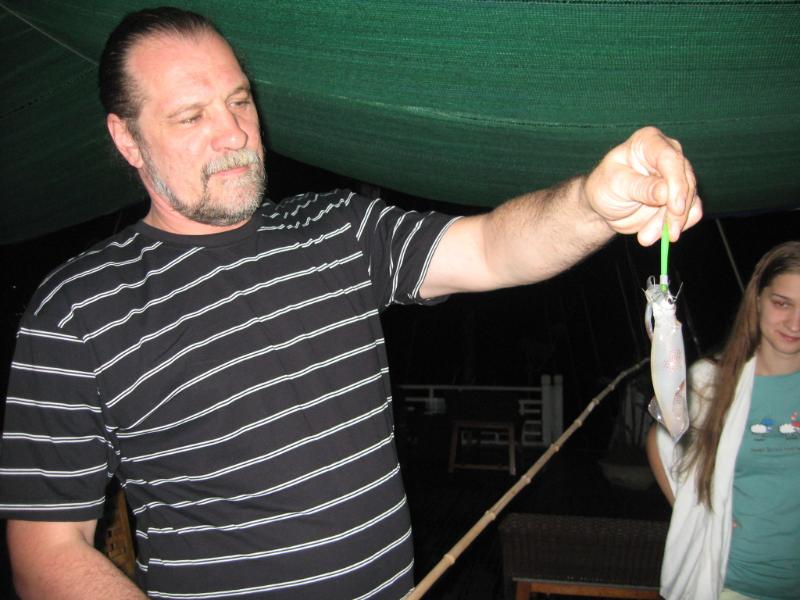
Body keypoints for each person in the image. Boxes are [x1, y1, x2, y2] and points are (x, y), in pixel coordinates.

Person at [0, 7, 701, 600]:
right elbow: (44, 544)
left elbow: (492, 249)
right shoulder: (78, 309)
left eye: (240, 100)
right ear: (127, 138)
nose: (236, 133)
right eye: (191, 115)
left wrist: (592, 200)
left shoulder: (337, 228)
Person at [647, 241, 800, 600]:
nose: (795, 323)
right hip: (730, 582)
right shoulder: (711, 383)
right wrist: (696, 509)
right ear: (758, 300)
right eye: (782, 304)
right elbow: (661, 443)